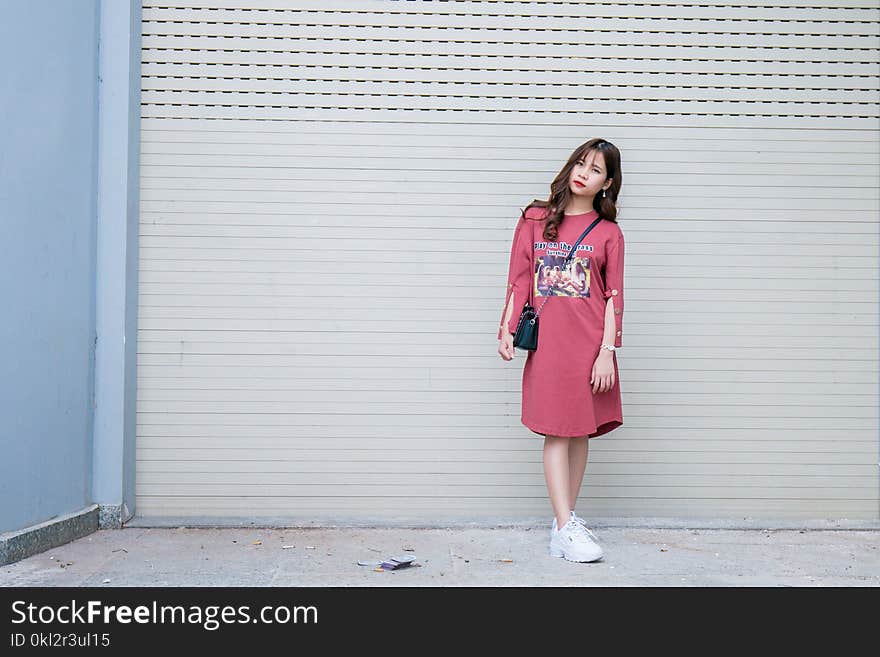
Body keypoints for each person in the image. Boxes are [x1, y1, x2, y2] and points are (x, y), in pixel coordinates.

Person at [496, 138, 625, 563]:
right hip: (550, 344)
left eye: (596, 170)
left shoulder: (609, 233)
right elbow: (519, 277)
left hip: (589, 345)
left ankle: (563, 524)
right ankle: (567, 526)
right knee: (556, 431)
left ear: (607, 183)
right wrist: (507, 329)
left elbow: (613, 297)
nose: (584, 172)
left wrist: (607, 350)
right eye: (581, 163)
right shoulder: (535, 219)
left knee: (579, 432)